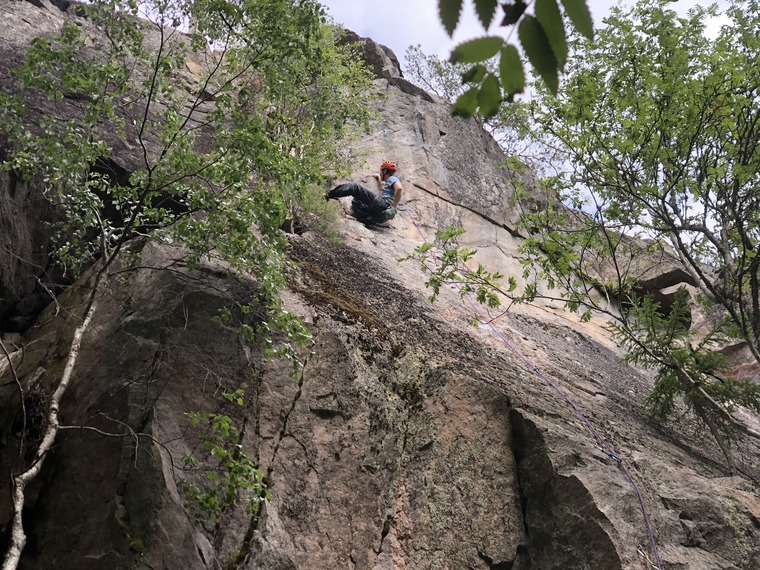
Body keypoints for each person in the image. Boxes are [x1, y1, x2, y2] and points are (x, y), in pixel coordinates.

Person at [326, 161, 404, 224]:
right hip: (383, 216)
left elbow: (399, 188)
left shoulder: (392, 178)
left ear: (385, 171)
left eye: (381, 171)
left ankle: (328, 194)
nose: (380, 173)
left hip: (385, 205)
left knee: (355, 187)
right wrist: (379, 179)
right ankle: (369, 219)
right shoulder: (389, 183)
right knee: (356, 201)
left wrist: (394, 208)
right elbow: (383, 188)